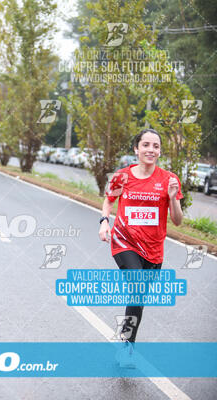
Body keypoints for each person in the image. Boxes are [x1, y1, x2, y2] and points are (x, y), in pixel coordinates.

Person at [98, 128, 183, 367]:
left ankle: (125, 340)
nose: (151, 150)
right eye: (146, 145)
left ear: (159, 151)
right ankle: (127, 349)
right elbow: (109, 199)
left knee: (138, 298)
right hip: (124, 241)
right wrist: (104, 221)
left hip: (154, 250)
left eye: (155, 146)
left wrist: (174, 197)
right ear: (136, 149)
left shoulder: (169, 179)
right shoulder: (123, 176)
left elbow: (177, 220)